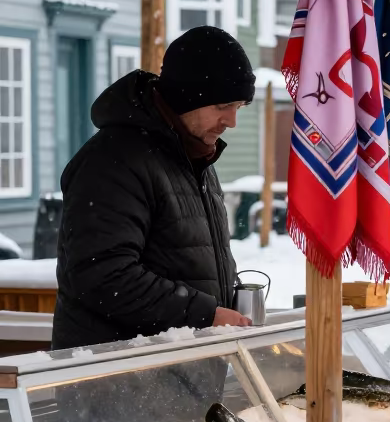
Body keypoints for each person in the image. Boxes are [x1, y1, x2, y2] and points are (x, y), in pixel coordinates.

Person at [53, 26, 255, 351]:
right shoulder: (113, 160)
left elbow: (184, 260)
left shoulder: (195, 158)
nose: (232, 121)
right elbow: (103, 275)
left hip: (178, 371)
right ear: (187, 97)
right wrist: (205, 314)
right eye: (223, 106)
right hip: (115, 377)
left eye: (239, 107)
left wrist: (230, 303)